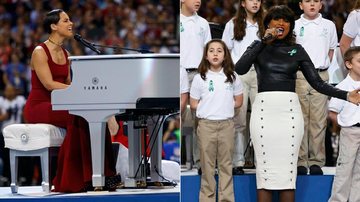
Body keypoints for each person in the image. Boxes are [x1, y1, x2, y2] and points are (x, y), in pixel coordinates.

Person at [234, 5, 360, 202]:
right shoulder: (258, 47)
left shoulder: (297, 49)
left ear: (290, 26)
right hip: (264, 111)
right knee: (265, 170)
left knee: (287, 173)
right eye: (276, 19)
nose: (281, 23)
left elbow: (317, 83)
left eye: (286, 20)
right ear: (268, 24)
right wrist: (262, 41)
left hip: (289, 113)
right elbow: (240, 69)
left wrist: (346, 96)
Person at [23, 9, 120, 193]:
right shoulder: (39, 51)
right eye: (65, 20)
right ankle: (72, 179)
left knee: (92, 115)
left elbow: (68, 84)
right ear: (53, 26)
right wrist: (82, 92)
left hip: (59, 103)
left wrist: (89, 97)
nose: (71, 24)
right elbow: (50, 84)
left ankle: (103, 174)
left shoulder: (66, 53)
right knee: (77, 116)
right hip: (39, 105)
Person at [190, 39, 243, 202]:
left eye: (219, 50)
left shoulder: (232, 77)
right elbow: (193, 103)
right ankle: (207, 198)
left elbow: (239, 101)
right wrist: (209, 110)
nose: (215, 53)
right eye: (211, 50)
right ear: (206, 55)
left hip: (226, 125)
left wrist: (224, 107)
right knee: (207, 166)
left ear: (225, 55)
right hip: (206, 126)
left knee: (226, 165)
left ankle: (226, 199)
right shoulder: (200, 78)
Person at [294, 0, 338, 175]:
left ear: (321, 5)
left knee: (318, 121)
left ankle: (316, 161)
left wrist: (322, 66)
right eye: (307, 1)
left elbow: (331, 50)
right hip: (300, 75)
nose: (312, 4)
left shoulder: (329, 25)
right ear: (300, 5)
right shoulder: (295, 25)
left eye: (316, 1)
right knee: (301, 119)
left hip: (321, 74)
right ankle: (300, 161)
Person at [222, 0, 265, 175]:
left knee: (260, 119)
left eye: (258, 0)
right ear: (242, 3)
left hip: (261, 73)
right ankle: (238, 161)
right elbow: (225, 50)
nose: (255, 2)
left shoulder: (267, 22)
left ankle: (260, 161)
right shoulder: (232, 24)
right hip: (239, 73)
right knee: (238, 119)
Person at [180, 0, 211, 173]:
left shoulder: (203, 23)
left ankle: (201, 162)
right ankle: (180, 162)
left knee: (201, 119)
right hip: (180, 72)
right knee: (180, 116)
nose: (198, 1)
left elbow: (208, 50)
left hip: (199, 74)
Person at [328, 46, 360, 202]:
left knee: (359, 172)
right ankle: (338, 200)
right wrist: (344, 123)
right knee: (345, 169)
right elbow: (332, 112)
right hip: (351, 130)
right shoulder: (342, 87)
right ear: (349, 64)